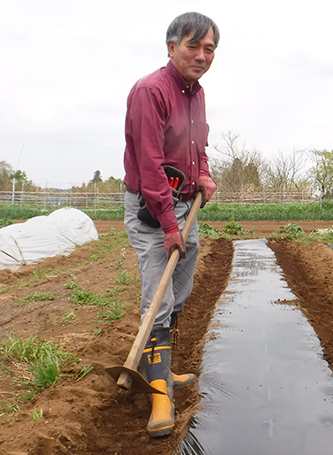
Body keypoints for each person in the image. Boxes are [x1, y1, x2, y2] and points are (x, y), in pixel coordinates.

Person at [122, 11, 219, 438]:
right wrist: (167, 223)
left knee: (179, 291)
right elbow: (148, 163)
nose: (201, 55)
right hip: (151, 207)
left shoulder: (196, 93)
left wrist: (203, 172)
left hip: (184, 202)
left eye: (209, 49)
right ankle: (159, 393)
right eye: (193, 46)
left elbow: (197, 142)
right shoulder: (151, 91)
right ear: (171, 46)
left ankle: (166, 368)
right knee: (157, 297)